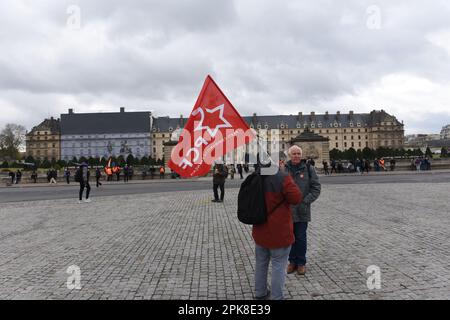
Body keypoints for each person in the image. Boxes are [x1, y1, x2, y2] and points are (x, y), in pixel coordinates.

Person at [252, 154, 302, 300]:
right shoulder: (282, 177)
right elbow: (296, 198)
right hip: (279, 231)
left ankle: (260, 293)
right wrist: (284, 174)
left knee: (261, 263)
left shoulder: (256, 176)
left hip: (260, 229)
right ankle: (276, 297)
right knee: (279, 265)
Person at [285, 145, 321, 276]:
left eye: (298, 154)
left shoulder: (308, 168)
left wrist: (306, 201)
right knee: (290, 238)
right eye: (293, 154)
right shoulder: (284, 169)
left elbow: (316, 188)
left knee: (300, 238)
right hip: (287, 210)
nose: (296, 156)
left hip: (302, 210)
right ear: (290, 155)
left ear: (301, 155)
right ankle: (292, 261)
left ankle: (301, 263)